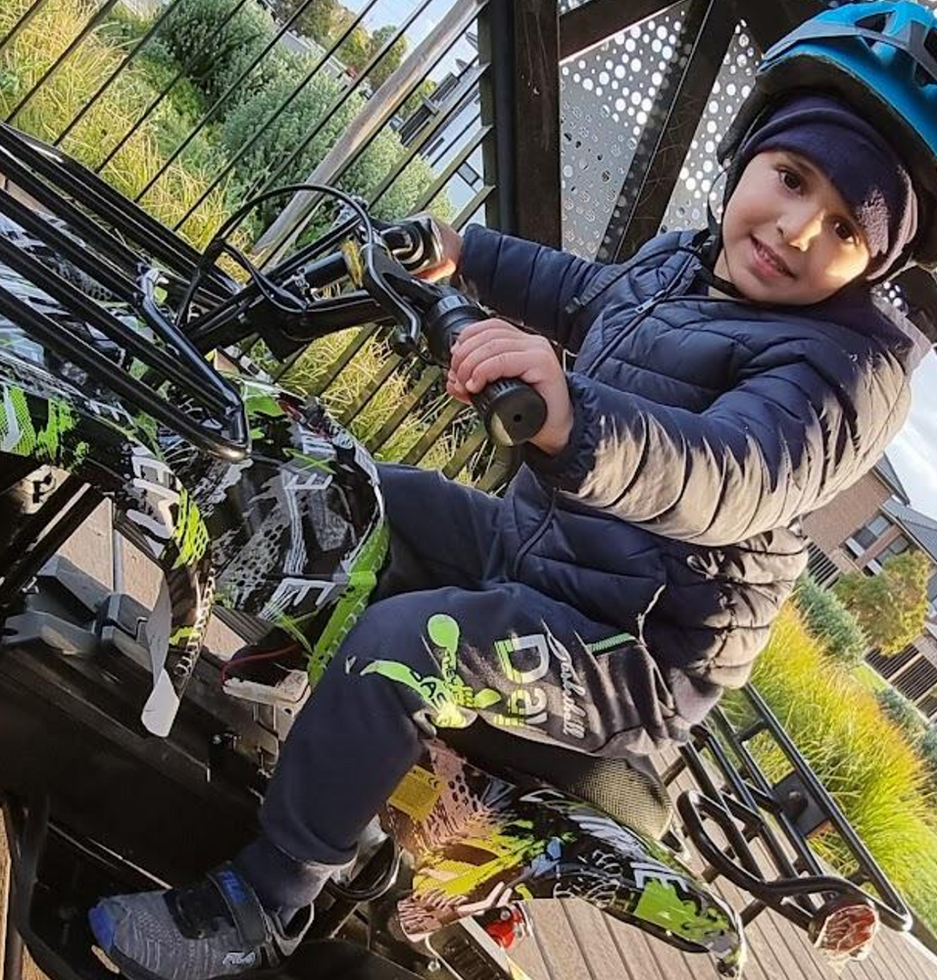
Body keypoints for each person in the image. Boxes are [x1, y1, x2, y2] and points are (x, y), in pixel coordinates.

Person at [89, 3, 937, 978]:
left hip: (629, 653)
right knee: (362, 493)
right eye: (790, 178)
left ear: (871, 264)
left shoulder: (848, 375)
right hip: (538, 553)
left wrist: (574, 420)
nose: (794, 228)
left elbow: (730, 474)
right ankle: (294, 706)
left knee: (406, 648)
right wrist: (461, 252)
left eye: (840, 226)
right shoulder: (681, 263)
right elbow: (582, 294)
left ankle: (262, 901)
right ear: (747, 153)